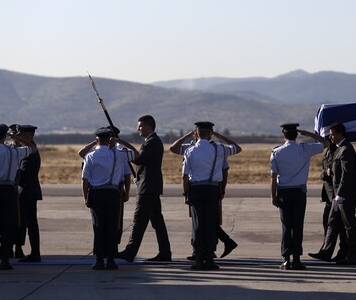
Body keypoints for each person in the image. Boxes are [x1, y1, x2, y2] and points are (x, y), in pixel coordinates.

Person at [170, 128, 239, 260]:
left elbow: (224, 170)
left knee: (203, 222)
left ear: (196, 133)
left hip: (197, 189)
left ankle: (205, 251)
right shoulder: (217, 149)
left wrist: (185, 193)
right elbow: (173, 148)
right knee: (206, 221)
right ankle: (207, 250)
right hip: (212, 189)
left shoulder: (193, 150)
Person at [0, 124, 37, 270]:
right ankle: (5, 259)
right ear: (6, 136)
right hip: (8, 191)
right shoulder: (14, 152)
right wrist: (16, 138)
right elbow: (33, 149)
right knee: (8, 226)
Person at [271, 123, 328, 270]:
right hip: (299, 192)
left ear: (284, 135)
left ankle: (286, 259)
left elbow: (273, 176)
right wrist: (308, 134)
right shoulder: (304, 149)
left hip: (283, 192)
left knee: (286, 226)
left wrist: (273, 196)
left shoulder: (276, 152)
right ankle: (296, 259)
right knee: (297, 226)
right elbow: (326, 142)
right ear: (297, 135)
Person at [117, 115, 172, 262]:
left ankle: (130, 252)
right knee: (157, 221)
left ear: (148, 127)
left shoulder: (152, 142)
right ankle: (165, 252)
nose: (138, 129)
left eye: (140, 126)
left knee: (139, 220)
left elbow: (138, 159)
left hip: (148, 187)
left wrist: (124, 145)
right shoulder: (152, 141)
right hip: (150, 186)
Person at [308, 122, 356, 266]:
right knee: (332, 222)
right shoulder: (338, 149)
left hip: (346, 195)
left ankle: (353, 257)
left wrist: (341, 194)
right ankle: (326, 252)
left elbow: (347, 174)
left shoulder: (346, 149)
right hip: (338, 195)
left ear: (339, 134)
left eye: (332, 134)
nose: (330, 136)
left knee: (349, 226)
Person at [82, 127, 133, 270]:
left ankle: (99, 260)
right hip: (112, 193)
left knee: (98, 226)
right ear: (110, 139)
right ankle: (111, 259)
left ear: (97, 139)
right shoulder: (119, 155)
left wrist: (85, 196)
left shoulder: (91, 156)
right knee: (111, 227)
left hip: (96, 193)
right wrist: (121, 142)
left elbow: (85, 179)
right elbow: (136, 154)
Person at [5, 124, 43, 263]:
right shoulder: (26, 150)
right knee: (26, 223)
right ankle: (24, 250)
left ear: (27, 136)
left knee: (26, 223)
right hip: (27, 192)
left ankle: (32, 252)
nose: (18, 138)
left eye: (20, 135)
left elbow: (23, 174)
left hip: (26, 191)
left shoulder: (30, 152)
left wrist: (8, 173)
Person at [308, 143, 348, 262]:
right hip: (330, 196)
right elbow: (325, 173)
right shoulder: (329, 151)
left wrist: (325, 174)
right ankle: (327, 251)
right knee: (330, 223)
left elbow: (338, 174)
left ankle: (339, 252)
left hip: (337, 195)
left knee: (336, 225)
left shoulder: (339, 151)